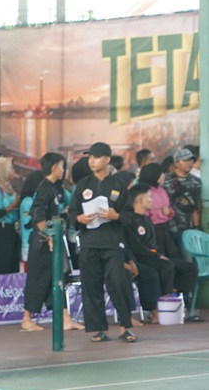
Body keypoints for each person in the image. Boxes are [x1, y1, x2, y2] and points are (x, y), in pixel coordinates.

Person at [68, 142, 136, 343]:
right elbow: (72, 212)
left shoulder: (118, 185)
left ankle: (125, 326)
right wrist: (79, 219)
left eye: (96, 157)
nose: (92, 161)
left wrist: (116, 216)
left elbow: (129, 215)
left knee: (116, 282)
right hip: (89, 242)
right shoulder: (82, 185)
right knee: (92, 286)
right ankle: (99, 329)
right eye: (90, 158)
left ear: (107, 159)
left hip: (112, 242)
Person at [21, 153, 84, 332]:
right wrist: (49, 237)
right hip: (42, 243)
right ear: (55, 167)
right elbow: (38, 216)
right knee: (37, 280)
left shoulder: (55, 188)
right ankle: (26, 319)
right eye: (62, 166)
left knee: (57, 280)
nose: (64, 170)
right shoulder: (44, 188)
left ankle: (65, 318)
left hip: (53, 241)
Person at [121, 184, 197, 313]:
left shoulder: (147, 219)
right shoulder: (129, 220)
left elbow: (153, 244)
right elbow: (135, 246)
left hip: (154, 255)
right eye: (149, 197)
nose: (152, 200)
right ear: (140, 200)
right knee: (165, 266)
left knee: (189, 268)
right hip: (141, 258)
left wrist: (157, 254)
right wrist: (156, 255)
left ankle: (170, 293)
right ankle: (160, 306)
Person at [162, 147, 202, 257]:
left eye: (191, 160)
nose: (189, 163)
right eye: (185, 160)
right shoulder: (165, 181)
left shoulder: (195, 182)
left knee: (187, 258)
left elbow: (196, 207)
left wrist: (196, 227)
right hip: (167, 227)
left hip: (186, 228)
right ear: (176, 162)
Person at [0, 157, 21, 274]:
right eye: (10, 168)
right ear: (2, 170)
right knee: (2, 262)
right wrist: (13, 204)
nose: (13, 171)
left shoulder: (9, 188)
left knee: (12, 261)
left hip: (12, 229)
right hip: (0, 230)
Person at [138, 162, 178, 257]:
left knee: (172, 255)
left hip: (166, 228)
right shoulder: (144, 191)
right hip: (153, 229)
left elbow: (168, 208)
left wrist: (169, 212)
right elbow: (143, 213)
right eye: (161, 174)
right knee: (159, 256)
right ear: (153, 175)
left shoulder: (162, 190)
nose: (163, 176)